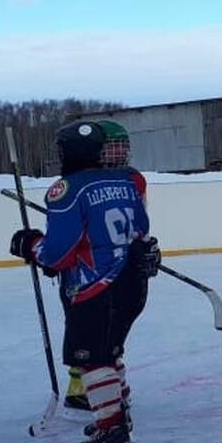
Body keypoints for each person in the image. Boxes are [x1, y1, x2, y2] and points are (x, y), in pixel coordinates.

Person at [9, 121, 160, 443]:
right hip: (132, 281)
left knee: (93, 358)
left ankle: (112, 430)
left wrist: (31, 246)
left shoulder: (67, 189)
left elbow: (58, 253)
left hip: (95, 285)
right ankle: (120, 420)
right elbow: (142, 229)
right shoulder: (127, 181)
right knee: (112, 351)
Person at [57, 120, 142, 421]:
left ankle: (101, 407)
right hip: (104, 272)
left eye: (122, 145)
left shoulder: (127, 178)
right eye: (112, 145)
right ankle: (107, 395)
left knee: (94, 344)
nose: (119, 151)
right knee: (96, 338)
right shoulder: (110, 180)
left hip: (94, 276)